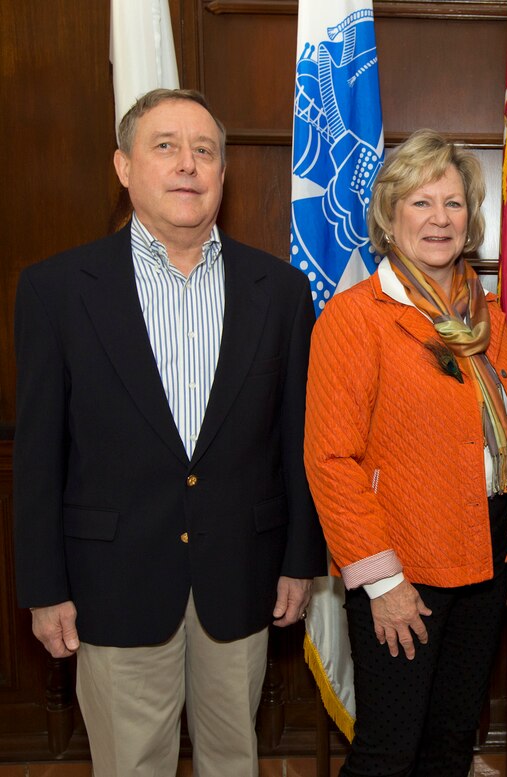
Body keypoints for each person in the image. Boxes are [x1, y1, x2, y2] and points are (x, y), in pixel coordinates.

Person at [13, 88, 327, 777]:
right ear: (123, 167)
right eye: (165, 147)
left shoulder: (278, 291)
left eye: (205, 150)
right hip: (112, 581)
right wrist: (43, 585)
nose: (188, 164)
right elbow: (38, 453)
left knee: (232, 761)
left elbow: (294, 437)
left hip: (240, 577)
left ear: (222, 171)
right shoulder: (57, 290)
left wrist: (299, 559)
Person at [304, 129, 507, 777]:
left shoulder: (487, 317)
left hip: (485, 556)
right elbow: (331, 460)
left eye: (453, 204)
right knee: (387, 752)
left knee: (451, 744)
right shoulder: (354, 318)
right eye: (422, 203)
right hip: (403, 569)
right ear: (390, 219)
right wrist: (384, 581)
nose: (439, 219)